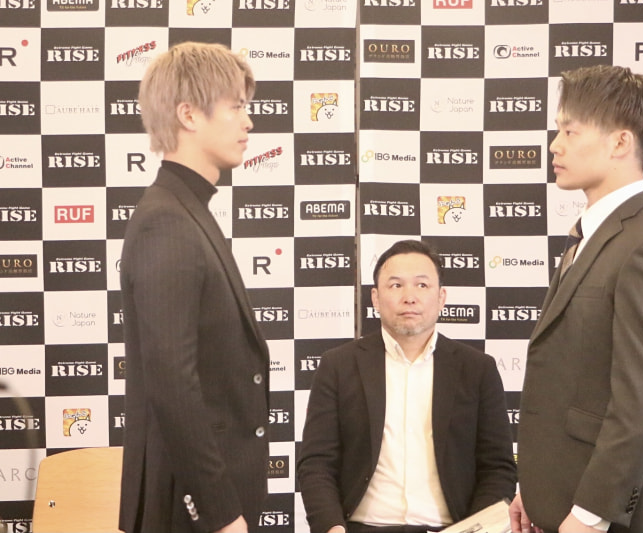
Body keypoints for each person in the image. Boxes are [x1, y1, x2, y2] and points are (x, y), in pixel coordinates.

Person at [510, 65, 643, 533]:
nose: (555, 145)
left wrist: (590, 515)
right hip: (562, 498)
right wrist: (534, 488)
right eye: (558, 130)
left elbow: (642, 402)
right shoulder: (592, 235)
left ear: (619, 142)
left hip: (612, 518)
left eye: (570, 131)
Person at [118, 42, 270, 533]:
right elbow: (172, 383)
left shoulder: (187, 211)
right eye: (236, 107)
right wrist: (220, 513)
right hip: (190, 511)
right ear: (188, 115)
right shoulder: (166, 220)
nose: (248, 122)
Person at [297, 239, 516, 533]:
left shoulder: (478, 369)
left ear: (441, 297)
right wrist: (332, 528)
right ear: (375, 298)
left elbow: (497, 468)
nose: (409, 297)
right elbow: (316, 463)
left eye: (422, 285)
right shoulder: (338, 366)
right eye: (396, 285)